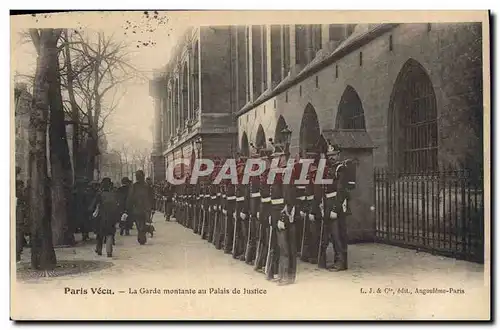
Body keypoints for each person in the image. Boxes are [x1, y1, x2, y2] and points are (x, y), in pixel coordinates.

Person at [91, 178, 119, 258]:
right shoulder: (113, 194)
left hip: (101, 216)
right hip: (111, 217)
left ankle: (99, 249)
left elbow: (93, 204)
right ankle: (109, 251)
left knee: (100, 234)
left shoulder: (99, 194)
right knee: (109, 234)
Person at [125, 170, 153, 245]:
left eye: (139, 176)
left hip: (144, 208)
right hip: (139, 208)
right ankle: (142, 235)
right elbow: (130, 198)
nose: (138, 177)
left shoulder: (145, 186)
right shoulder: (135, 186)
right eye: (137, 176)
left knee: (142, 223)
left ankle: (142, 235)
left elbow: (151, 197)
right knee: (139, 224)